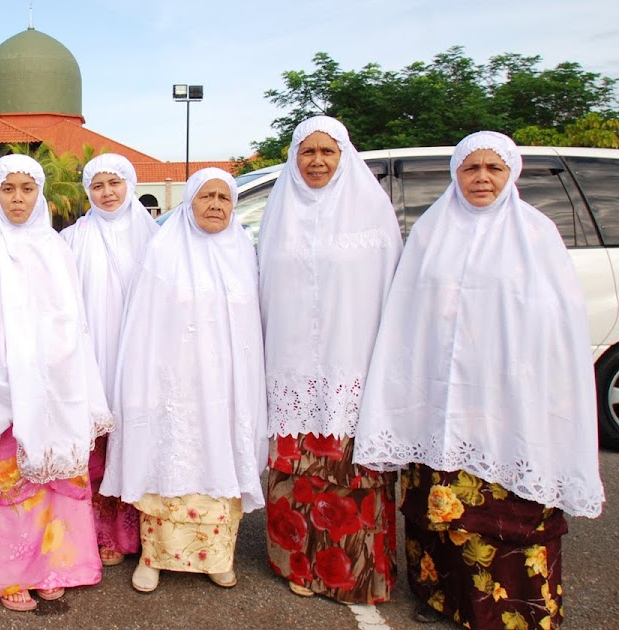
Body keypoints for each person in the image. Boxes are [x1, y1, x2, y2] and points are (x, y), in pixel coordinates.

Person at [354, 131, 605, 628]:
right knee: (441, 507)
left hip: (509, 397)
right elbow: (408, 316)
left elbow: (559, 325)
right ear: (456, 174)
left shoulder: (535, 234)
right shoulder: (431, 230)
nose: (482, 177)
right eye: (472, 168)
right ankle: (441, 597)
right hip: (441, 398)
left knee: (506, 508)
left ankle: (513, 611)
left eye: (494, 168)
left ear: (511, 173)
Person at [0, 154, 113, 612]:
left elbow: (71, 319)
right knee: (9, 481)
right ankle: (7, 575)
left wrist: (54, 371)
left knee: (55, 478)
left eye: (26, 189)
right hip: (1, 386)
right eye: (8, 189)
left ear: (39, 194)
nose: (17, 199)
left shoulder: (56, 246)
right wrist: (6, 377)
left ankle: (55, 566)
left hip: (54, 382)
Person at [100, 168, 267, 593]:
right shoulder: (163, 251)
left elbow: (250, 328)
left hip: (225, 389)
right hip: (173, 387)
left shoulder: (243, 252)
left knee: (219, 460)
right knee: (169, 460)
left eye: (223, 198)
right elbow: (143, 327)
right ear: (189, 202)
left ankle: (216, 557)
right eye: (205, 196)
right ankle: (155, 558)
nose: (215, 205)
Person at [257, 116, 403, 604]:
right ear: (294, 159)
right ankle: (296, 564)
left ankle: (355, 574)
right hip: (290, 369)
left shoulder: (371, 213)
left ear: (345, 157)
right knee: (297, 478)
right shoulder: (280, 216)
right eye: (307, 153)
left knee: (349, 478)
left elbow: (390, 295)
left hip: (351, 367)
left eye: (327, 152)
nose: (317, 161)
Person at [60, 153, 158, 567]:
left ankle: (139, 534)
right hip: (91, 356)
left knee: (136, 439)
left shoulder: (155, 237)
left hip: (140, 356)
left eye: (114, 183)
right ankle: (99, 536)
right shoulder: (72, 238)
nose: (107, 193)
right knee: (95, 446)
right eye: (97, 186)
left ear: (130, 184)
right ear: (87, 191)